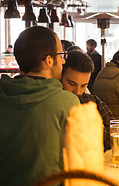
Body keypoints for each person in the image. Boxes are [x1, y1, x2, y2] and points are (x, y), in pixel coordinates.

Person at [0, 26, 80, 186]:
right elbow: (79, 163)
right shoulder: (67, 103)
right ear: (49, 60)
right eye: (61, 55)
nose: (64, 60)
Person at [61, 50, 114, 151]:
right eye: (72, 84)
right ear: (60, 76)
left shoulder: (92, 101)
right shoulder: (54, 103)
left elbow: (113, 133)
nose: (78, 92)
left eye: (83, 86)